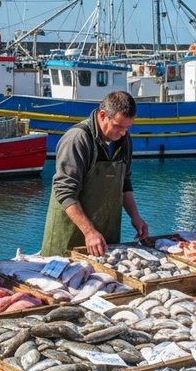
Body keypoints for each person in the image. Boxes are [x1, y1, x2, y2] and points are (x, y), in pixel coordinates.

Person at [41, 90, 148, 258]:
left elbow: (124, 182)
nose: (123, 133)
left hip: (105, 238)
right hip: (69, 239)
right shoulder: (77, 139)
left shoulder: (124, 140)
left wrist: (136, 217)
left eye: (127, 128)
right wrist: (89, 232)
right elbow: (65, 192)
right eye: (118, 126)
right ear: (103, 115)